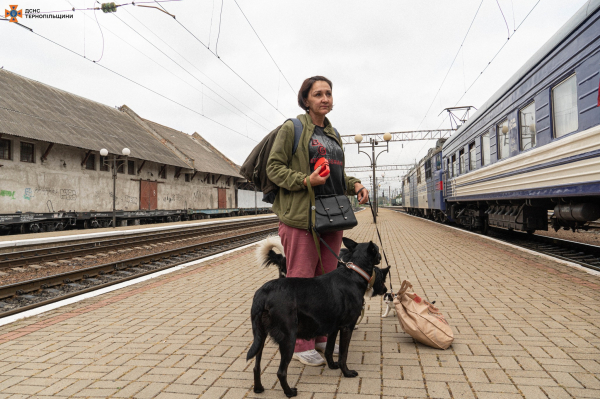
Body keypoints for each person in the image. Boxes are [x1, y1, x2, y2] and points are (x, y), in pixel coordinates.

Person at [266, 76, 369, 366]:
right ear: (306, 99)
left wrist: (356, 185)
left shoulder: (333, 135)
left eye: (328, 93)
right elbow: (274, 168)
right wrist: (304, 179)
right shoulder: (293, 128)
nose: (324, 98)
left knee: (327, 282)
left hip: (331, 217)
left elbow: (337, 176)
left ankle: (323, 335)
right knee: (300, 280)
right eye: (317, 94)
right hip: (301, 218)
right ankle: (299, 342)